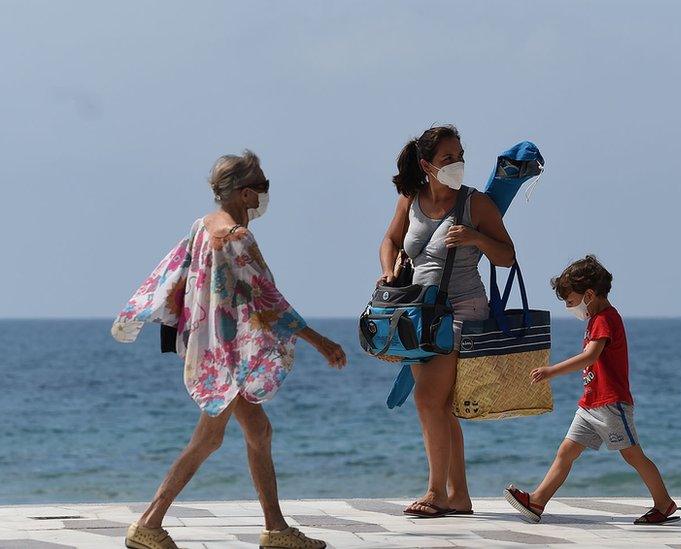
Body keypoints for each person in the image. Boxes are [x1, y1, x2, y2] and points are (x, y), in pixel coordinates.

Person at [111, 150, 346, 549]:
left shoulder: (203, 226)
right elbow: (268, 299)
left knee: (258, 431)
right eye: (262, 186)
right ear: (242, 192)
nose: (265, 195)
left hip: (211, 347)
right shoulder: (235, 237)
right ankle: (149, 523)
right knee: (208, 440)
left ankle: (276, 529)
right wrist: (320, 341)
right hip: (226, 355)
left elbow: (174, 276)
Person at [378, 125, 515, 517]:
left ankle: (436, 492)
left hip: (462, 309)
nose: (457, 164)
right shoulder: (411, 199)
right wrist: (389, 271)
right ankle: (459, 496)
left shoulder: (477, 204)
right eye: (447, 159)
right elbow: (389, 240)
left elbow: (507, 256)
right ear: (427, 165)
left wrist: (475, 238)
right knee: (439, 405)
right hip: (418, 312)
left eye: (459, 156)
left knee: (426, 400)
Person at [504, 255, 678, 525]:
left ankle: (664, 503)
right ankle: (537, 501)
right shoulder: (596, 318)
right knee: (566, 451)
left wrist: (551, 371)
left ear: (589, 294)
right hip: (591, 403)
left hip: (610, 403)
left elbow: (589, 357)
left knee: (632, 454)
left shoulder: (605, 320)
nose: (569, 307)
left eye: (570, 302)